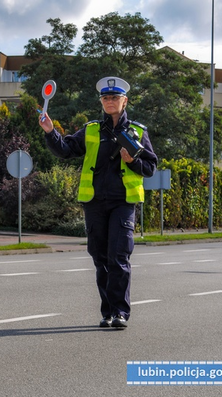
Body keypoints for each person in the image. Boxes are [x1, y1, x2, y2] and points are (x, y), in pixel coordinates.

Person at [39, 76, 158, 329]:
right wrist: (51, 132)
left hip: (123, 202)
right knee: (100, 258)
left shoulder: (137, 131)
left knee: (119, 256)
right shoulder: (91, 129)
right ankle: (107, 312)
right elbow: (65, 149)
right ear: (101, 102)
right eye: (106, 98)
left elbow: (150, 168)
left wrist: (132, 162)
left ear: (124, 101)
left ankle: (120, 312)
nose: (110, 101)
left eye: (115, 97)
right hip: (94, 203)